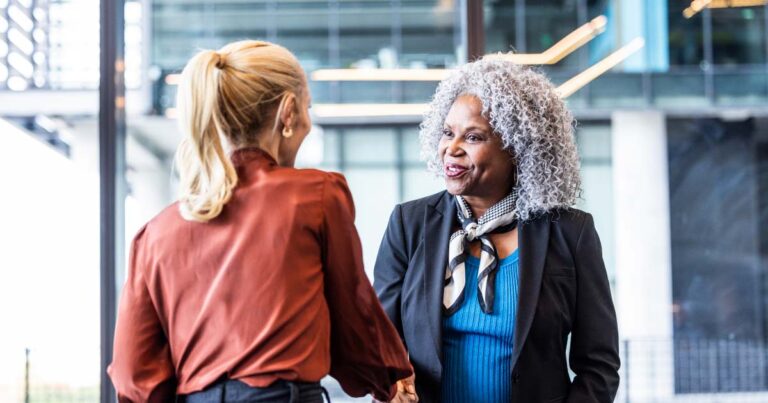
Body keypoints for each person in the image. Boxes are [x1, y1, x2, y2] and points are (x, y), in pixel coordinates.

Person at [108, 40, 412, 403]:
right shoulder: (315, 196)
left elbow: (133, 374)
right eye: (307, 109)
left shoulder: (155, 233)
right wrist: (390, 381)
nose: (308, 125)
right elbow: (354, 318)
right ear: (288, 112)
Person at [374, 58, 620, 403]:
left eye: (473, 136)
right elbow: (380, 344)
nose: (451, 149)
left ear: (518, 148)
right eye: (447, 132)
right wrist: (390, 381)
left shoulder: (570, 233)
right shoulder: (409, 224)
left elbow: (599, 366)